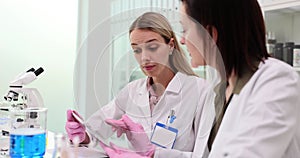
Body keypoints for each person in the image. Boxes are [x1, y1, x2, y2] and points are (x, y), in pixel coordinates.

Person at [65, 12, 210, 158]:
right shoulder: (132, 91)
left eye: (152, 47)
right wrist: (83, 135)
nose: (144, 58)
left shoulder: (201, 91)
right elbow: (96, 130)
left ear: (170, 46)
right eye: (137, 50)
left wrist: (156, 154)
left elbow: (204, 155)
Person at [179, 0, 300, 157]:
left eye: (184, 29)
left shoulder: (276, 80)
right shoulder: (220, 90)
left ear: (210, 34)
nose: (182, 40)